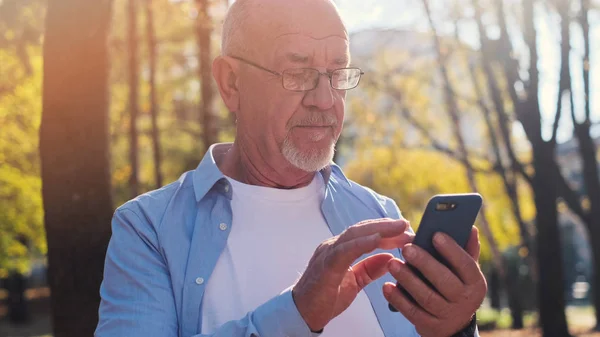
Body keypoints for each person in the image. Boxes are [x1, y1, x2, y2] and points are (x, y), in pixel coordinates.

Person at [94, 0, 487, 336]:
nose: (324, 99)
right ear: (231, 83)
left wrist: (456, 327)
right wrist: (296, 314)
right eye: (298, 74)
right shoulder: (148, 229)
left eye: (337, 73)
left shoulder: (380, 214)